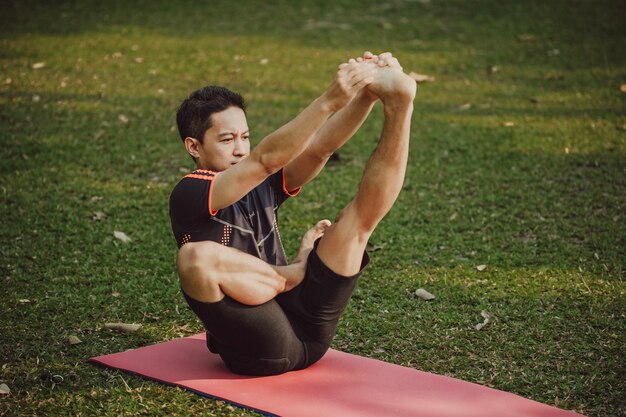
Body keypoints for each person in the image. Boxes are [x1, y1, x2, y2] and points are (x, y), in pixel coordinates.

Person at [170, 51, 416, 376]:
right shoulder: (191, 191)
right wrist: (329, 100)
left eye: (245, 137)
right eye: (227, 139)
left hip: (310, 325)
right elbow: (264, 160)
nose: (241, 148)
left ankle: (400, 107)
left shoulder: (260, 181)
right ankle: (291, 274)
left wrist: (366, 94)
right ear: (194, 147)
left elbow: (320, 148)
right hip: (260, 347)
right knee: (195, 258)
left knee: (355, 225)